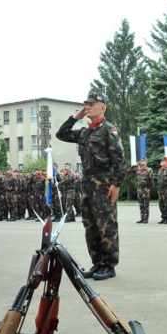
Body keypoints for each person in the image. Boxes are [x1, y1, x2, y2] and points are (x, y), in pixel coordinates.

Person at [56, 90, 125, 280]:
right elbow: (61, 134)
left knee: (106, 225)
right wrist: (76, 117)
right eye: (86, 104)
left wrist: (116, 185)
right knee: (91, 226)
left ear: (102, 108)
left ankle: (109, 265)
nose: (87, 107)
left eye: (91, 104)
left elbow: (119, 160)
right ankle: (98, 263)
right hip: (87, 185)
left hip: (103, 184)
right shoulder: (86, 132)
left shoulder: (109, 130)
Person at [130, 157, 153, 223]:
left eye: (143, 161)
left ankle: (146, 218)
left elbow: (151, 181)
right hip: (139, 189)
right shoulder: (138, 170)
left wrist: (149, 189)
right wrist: (135, 165)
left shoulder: (149, 170)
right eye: (141, 161)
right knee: (141, 204)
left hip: (145, 189)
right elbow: (129, 170)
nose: (142, 162)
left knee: (146, 205)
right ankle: (142, 218)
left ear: (146, 162)